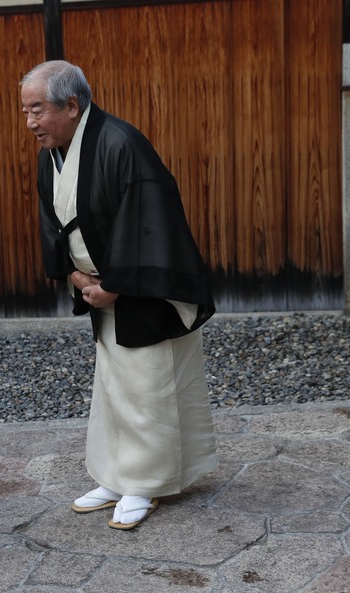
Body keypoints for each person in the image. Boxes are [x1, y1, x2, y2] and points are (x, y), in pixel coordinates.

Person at [20, 61, 218, 530]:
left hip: (142, 290)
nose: (30, 123)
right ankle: (116, 474)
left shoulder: (121, 143)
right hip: (97, 287)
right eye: (26, 112)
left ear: (72, 105)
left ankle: (146, 481)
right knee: (113, 385)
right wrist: (73, 275)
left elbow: (150, 222)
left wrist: (113, 286)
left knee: (149, 385)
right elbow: (53, 222)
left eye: (37, 110)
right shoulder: (55, 152)